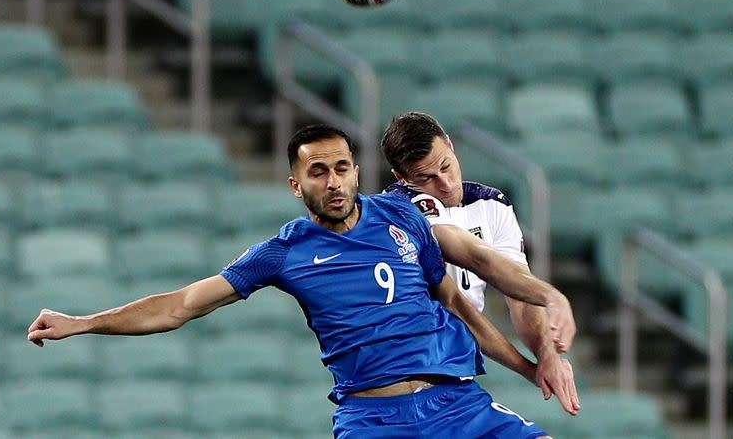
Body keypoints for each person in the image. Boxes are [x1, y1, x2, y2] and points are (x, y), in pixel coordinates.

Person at [28, 124, 553, 438]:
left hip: (456, 405)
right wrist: (83, 323)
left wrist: (533, 363)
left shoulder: (405, 220)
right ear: (295, 185)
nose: (334, 181)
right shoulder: (284, 252)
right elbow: (181, 305)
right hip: (375, 419)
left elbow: (463, 303)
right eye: (318, 171)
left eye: (342, 168)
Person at [382, 112, 581, 416]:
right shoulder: (398, 209)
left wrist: (546, 355)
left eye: (446, 166)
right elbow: (475, 260)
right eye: (425, 179)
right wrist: (552, 296)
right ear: (401, 178)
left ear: (450, 145)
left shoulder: (492, 206)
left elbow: (518, 295)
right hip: (403, 380)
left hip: (455, 374)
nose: (446, 184)